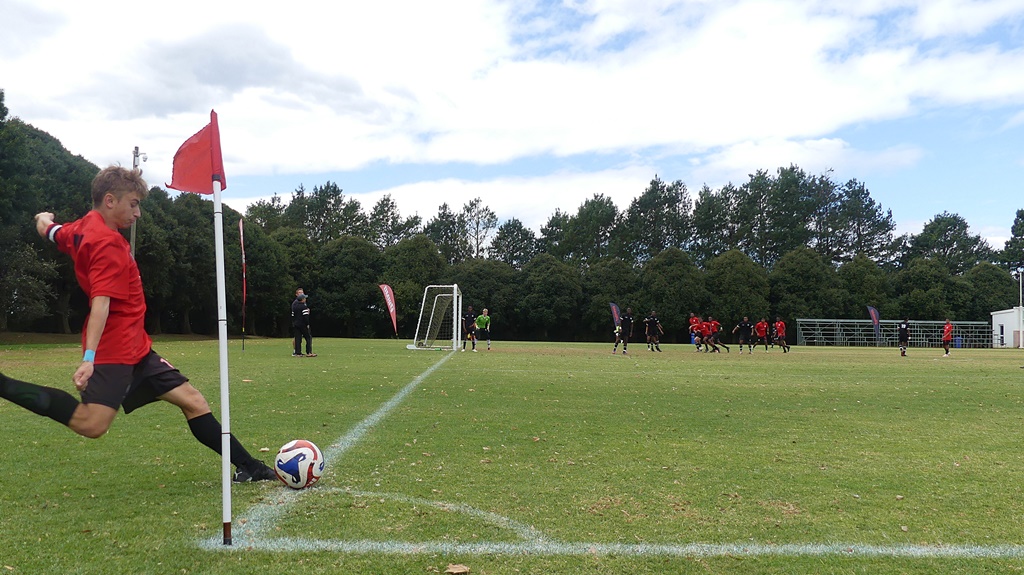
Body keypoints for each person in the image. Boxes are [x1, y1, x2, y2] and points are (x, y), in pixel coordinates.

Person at [0, 166, 275, 483]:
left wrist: (42, 221)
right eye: (133, 204)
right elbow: (100, 304)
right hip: (115, 349)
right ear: (109, 200)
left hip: (137, 346)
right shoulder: (107, 245)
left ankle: (249, 467)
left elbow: (52, 231)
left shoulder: (80, 229)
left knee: (194, 401)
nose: (138, 212)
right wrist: (89, 360)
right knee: (92, 425)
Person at [291, 289, 316, 357]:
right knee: (308, 338)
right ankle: (309, 352)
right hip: (303, 325)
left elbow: (293, 315)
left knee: (298, 339)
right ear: (302, 299)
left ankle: (298, 353)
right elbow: (306, 317)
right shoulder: (303, 306)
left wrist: (295, 322)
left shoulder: (295, 306)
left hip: (296, 324)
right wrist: (307, 324)